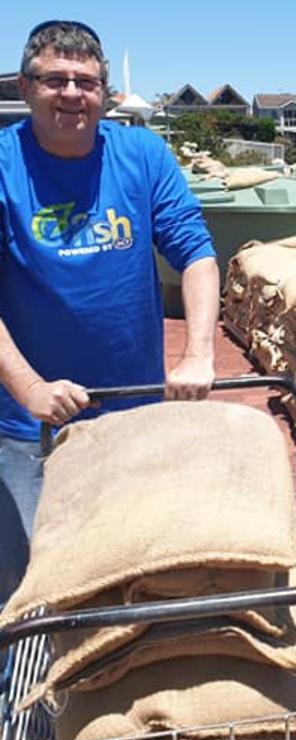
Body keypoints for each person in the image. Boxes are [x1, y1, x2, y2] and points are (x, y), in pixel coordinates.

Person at [0, 20, 219, 612]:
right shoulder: (3, 163)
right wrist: (31, 389)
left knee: (127, 558)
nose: (72, 93)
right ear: (26, 86)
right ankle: (17, 698)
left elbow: (195, 253)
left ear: (106, 93)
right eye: (55, 80)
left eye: (86, 81)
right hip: (30, 426)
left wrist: (198, 353)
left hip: (133, 410)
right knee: (26, 582)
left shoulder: (142, 154)